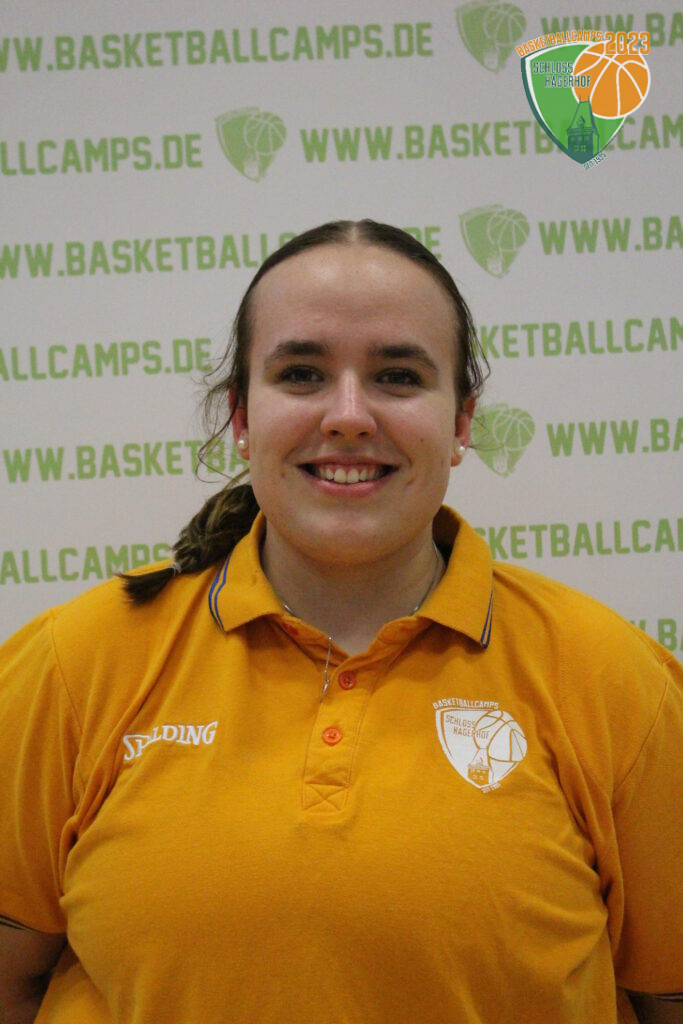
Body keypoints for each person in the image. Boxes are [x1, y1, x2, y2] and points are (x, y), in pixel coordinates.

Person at [0, 220, 681, 1024]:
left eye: (397, 376)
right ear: (241, 415)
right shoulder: (74, 664)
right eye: (301, 374)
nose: (349, 415)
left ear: (461, 422)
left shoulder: (610, 678)